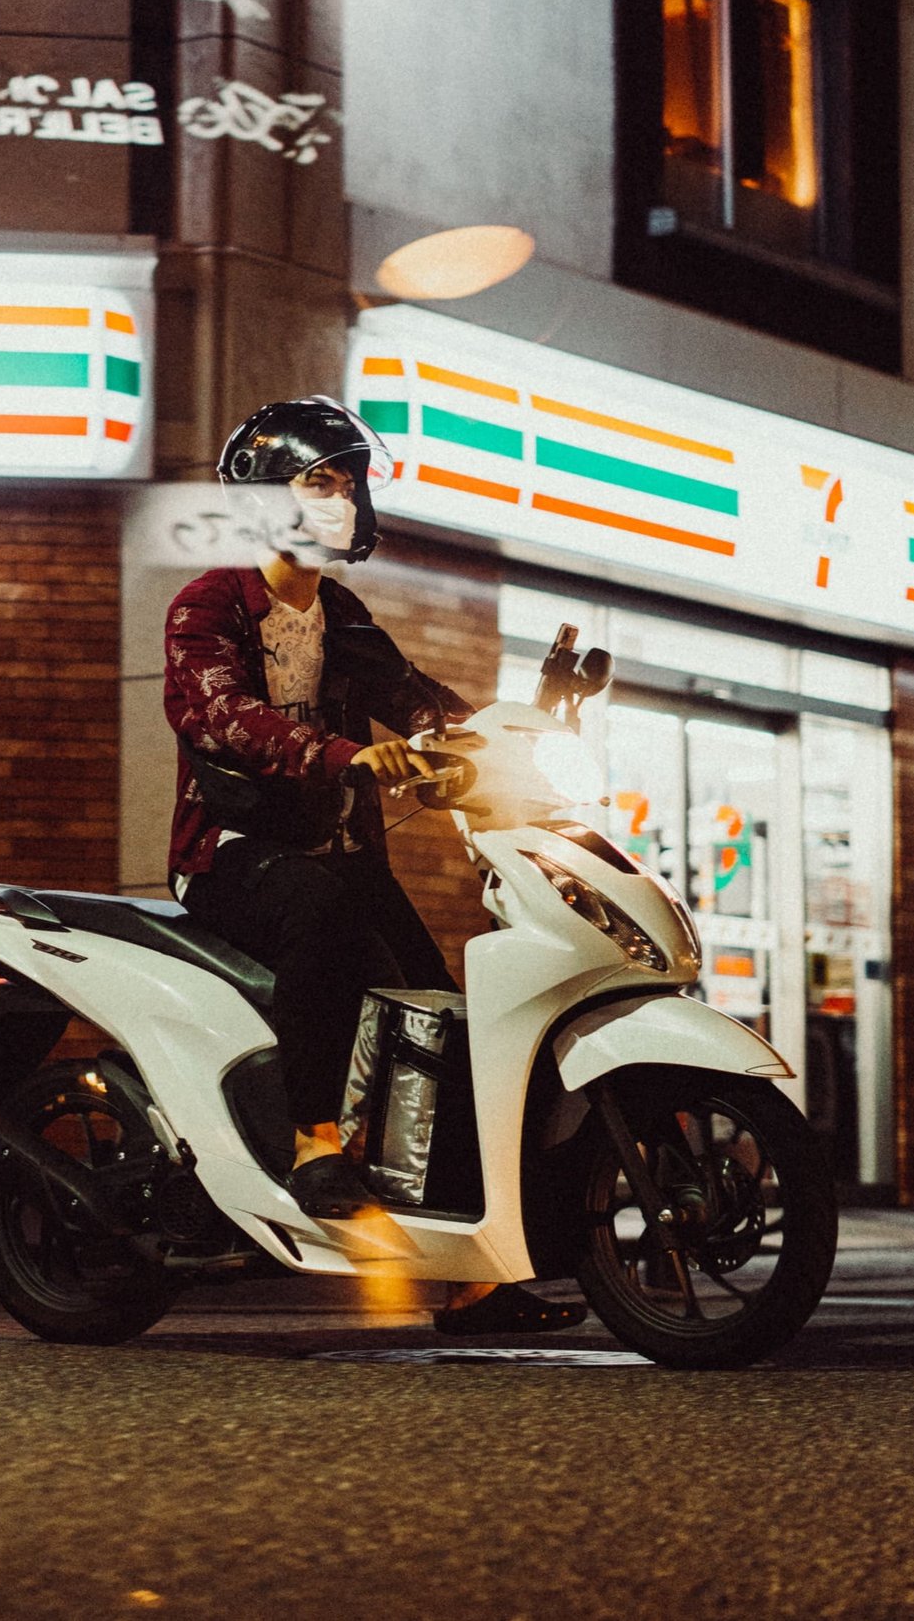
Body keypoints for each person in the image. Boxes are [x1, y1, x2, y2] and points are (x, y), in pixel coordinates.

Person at [163, 396, 583, 1335]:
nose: (343, 496)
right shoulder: (209, 605)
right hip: (234, 857)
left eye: (350, 480)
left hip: (340, 852)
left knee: (446, 1010)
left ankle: (474, 1273)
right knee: (322, 915)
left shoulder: (341, 612)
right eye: (322, 480)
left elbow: (419, 700)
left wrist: (515, 733)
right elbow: (219, 715)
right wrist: (340, 755)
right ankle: (315, 1141)